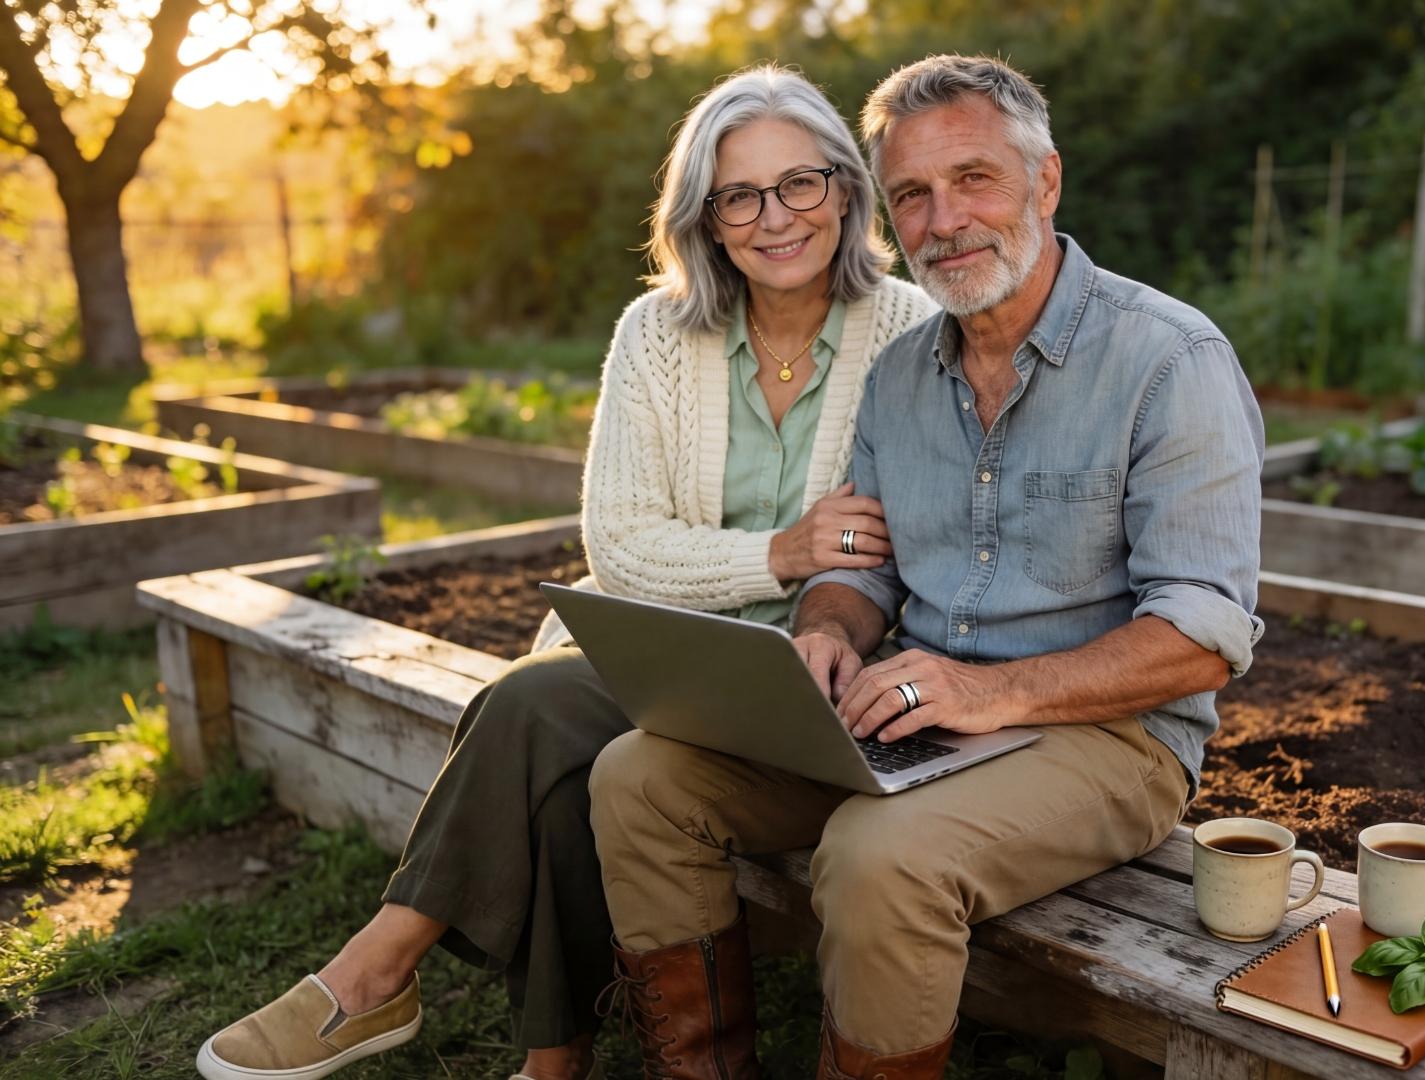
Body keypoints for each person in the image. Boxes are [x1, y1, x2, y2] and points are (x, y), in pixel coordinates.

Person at [194, 65, 934, 1080]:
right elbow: (620, 543)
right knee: (546, 740)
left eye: (800, 184)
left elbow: (886, 553)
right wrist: (780, 550)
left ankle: (402, 989)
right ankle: (526, 1047)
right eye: (739, 196)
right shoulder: (656, 334)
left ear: (846, 191)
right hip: (661, 643)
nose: (774, 218)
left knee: (532, 710)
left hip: (809, 675)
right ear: (706, 221)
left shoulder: (909, 336)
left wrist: (807, 580)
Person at [586, 54, 1265, 1078]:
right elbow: (861, 567)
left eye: (974, 179)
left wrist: (989, 691)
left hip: (1109, 740)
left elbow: (1205, 635)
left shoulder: (1169, 359)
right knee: (640, 777)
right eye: (912, 194)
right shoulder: (903, 373)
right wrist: (823, 632)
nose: (944, 220)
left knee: (877, 854)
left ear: (1045, 181)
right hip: (916, 715)